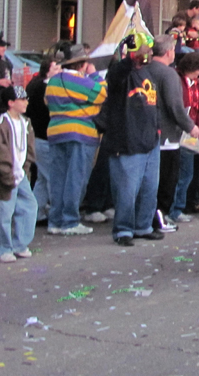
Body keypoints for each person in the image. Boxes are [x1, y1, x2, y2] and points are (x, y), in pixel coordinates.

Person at [99, 33, 163, 246]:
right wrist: (130, 57)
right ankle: (123, 230)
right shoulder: (120, 75)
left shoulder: (147, 73)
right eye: (142, 53)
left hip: (150, 140)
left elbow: (154, 103)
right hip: (126, 140)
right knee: (127, 189)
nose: (146, 56)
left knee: (149, 188)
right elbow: (116, 73)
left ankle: (143, 225)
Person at [46, 44, 107, 235]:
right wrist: (96, 75)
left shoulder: (53, 81)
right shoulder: (82, 81)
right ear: (83, 64)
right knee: (76, 179)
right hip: (81, 133)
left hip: (56, 132)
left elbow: (48, 102)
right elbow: (102, 94)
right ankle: (70, 221)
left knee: (58, 179)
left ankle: (55, 220)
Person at [145, 35, 199, 231]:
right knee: (166, 182)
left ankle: (146, 218)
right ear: (169, 52)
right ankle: (159, 218)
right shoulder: (168, 75)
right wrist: (191, 126)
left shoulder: (144, 70)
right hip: (168, 137)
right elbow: (175, 106)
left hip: (147, 133)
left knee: (149, 183)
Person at [0, 86, 37, 263]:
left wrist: (26, 169)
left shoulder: (26, 122)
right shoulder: (1, 124)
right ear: (10, 103)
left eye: (26, 99)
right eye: (21, 99)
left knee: (29, 206)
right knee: (4, 211)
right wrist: (8, 175)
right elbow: (0, 153)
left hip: (21, 173)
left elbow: (29, 149)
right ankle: (2, 247)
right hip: (5, 176)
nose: (26, 102)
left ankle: (19, 244)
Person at [169, 52, 199, 222]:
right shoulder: (177, 81)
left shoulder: (196, 85)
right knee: (181, 173)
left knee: (188, 172)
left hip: (191, 131)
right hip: (179, 131)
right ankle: (173, 209)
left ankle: (178, 206)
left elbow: (198, 108)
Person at [25, 58, 62, 224]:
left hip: (39, 137)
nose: (60, 70)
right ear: (48, 71)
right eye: (56, 68)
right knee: (52, 179)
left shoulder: (36, 86)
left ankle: (35, 212)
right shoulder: (46, 89)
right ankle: (56, 215)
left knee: (42, 178)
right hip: (46, 138)